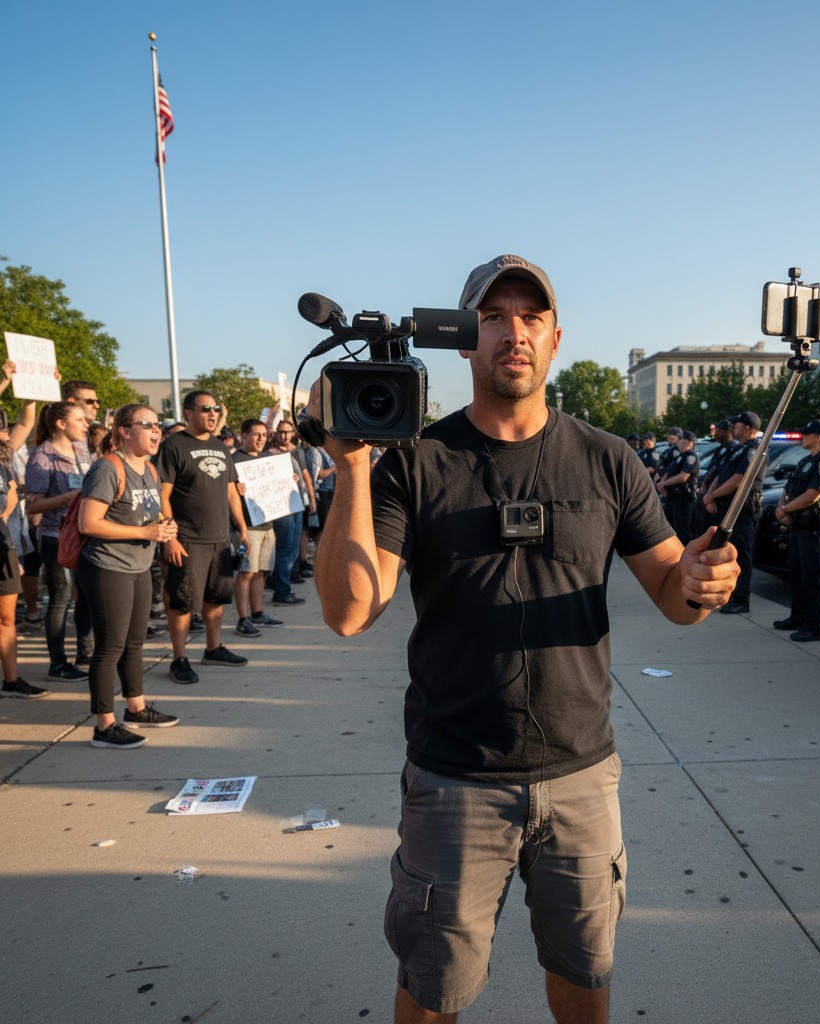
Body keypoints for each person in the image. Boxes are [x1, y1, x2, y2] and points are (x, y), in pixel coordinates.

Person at [308, 254, 740, 1024]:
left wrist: (704, 584)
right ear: (466, 342)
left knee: (585, 978)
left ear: (555, 338)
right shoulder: (415, 461)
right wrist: (352, 469)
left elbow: (676, 596)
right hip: (453, 782)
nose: (514, 331)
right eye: (494, 316)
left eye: (531, 316)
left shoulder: (610, 460)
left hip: (581, 777)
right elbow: (349, 611)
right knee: (433, 991)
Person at [77, 406, 180, 748]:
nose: (156, 431)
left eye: (157, 426)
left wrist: (166, 529)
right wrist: (149, 533)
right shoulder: (108, 467)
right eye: (146, 425)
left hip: (139, 566)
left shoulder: (149, 468)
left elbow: (151, 514)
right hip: (108, 567)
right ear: (123, 431)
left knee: (134, 643)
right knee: (110, 647)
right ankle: (104, 725)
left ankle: (135, 708)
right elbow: (88, 523)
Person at [154, 390, 250, 685]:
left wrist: (242, 527)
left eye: (216, 409)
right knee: (182, 601)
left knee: (216, 598)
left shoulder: (221, 447)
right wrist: (170, 537)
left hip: (220, 537)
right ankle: (179, 659)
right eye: (205, 409)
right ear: (189, 413)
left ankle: (213, 648)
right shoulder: (173, 446)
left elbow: (232, 491)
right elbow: (162, 495)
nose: (212, 414)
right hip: (187, 539)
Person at [24, 401, 94, 681]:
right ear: (61, 424)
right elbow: (32, 506)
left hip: (85, 535)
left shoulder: (81, 449)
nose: (86, 424)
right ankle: (57, 663)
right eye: (80, 419)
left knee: (86, 595)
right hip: (56, 538)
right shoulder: (42, 456)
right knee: (61, 598)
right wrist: (68, 498)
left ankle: (85, 650)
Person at [772, 420, 820, 642]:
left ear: (818, 437)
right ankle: (797, 616)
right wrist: (782, 507)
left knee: (813, 577)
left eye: (807, 433)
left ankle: (813, 626)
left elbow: (814, 494)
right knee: (798, 574)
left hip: (816, 529)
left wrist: (785, 509)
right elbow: (789, 488)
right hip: (800, 526)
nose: (803, 436)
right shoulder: (806, 461)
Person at [0, 404, 48, 698]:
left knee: (6, 618)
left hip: (3, 545)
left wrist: (31, 394)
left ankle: (11, 681)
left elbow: (26, 421)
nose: (5, 433)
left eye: (5, 428)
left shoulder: (4, 460)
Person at [702, 410, 765, 614]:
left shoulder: (754, 449)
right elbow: (722, 475)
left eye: (737, 426)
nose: (733, 429)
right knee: (726, 553)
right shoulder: (738, 449)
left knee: (741, 555)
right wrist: (709, 495)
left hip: (744, 510)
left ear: (747, 428)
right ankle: (728, 597)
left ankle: (741, 599)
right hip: (729, 508)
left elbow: (738, 480)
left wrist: (711, 496)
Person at [231, 419, 283, 637]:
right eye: (256, 434)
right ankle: (243, 619)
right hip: (246, 527)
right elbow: (227, 495)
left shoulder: (268, 459)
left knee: (260, 572)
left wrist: (289, 480)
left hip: (267, 524)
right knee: (246, 572)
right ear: (243, 436)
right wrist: (236, 488)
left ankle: (257, 612)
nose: (262, 439)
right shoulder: (234, 461)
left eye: (264, 434)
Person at [265, 420, 309, 606]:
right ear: (276, 433)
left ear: (293, 433)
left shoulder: (296, 451)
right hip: (281, 508)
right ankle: (282, 591)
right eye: (281, 432)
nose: (284, 436)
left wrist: (310, 499)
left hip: (297, 503)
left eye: (287, 432)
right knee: (285, 549)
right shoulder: (268, 454)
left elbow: (304, 475)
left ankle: (282, 583)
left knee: (292, 549)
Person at [656, 429, 701, 543]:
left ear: (690, 442)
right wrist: (661, 483)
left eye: (683, 440)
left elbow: (683, 476)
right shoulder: (679, 457)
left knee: (682, 531)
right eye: (680, 440)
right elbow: (668, 472)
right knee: (671, 528)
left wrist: (664, 483)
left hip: (684, 499)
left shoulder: (691, 457)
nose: (680, 442)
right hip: (673, 498)